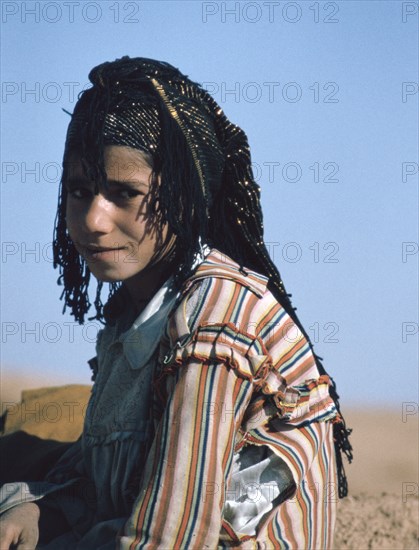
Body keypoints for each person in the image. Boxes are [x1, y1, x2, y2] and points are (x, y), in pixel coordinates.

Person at [0, 56, 352, 549]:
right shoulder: (136, 317)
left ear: (185, 200)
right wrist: (38, 508)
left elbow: (171, 539)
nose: (94, 219)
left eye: (125, 193)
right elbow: (106, 487)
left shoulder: (215, 322)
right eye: (80, 191)